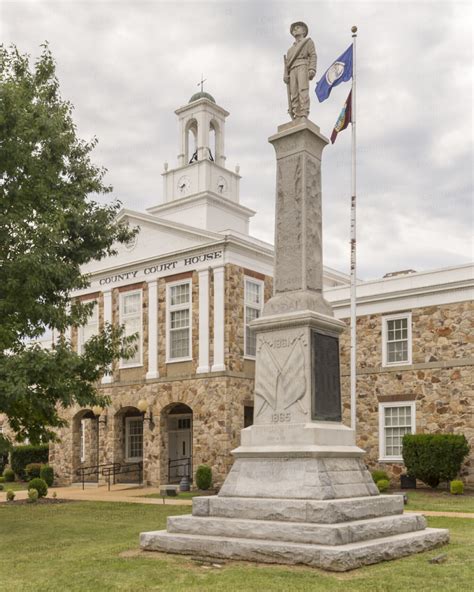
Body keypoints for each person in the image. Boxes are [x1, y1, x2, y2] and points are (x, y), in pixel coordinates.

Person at [284, 22, 317, 119]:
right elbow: (287, 64)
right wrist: (285, 74)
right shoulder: (290, 50)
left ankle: (303, 112)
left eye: (297, 27)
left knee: (303, 90)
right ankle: (296, 114)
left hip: (303, 66)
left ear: (304, 30)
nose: (295, 29)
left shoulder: (308, 42)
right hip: (292, 70)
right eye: (293, 28)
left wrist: (312, 68)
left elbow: (313, 55)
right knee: (294, 93)